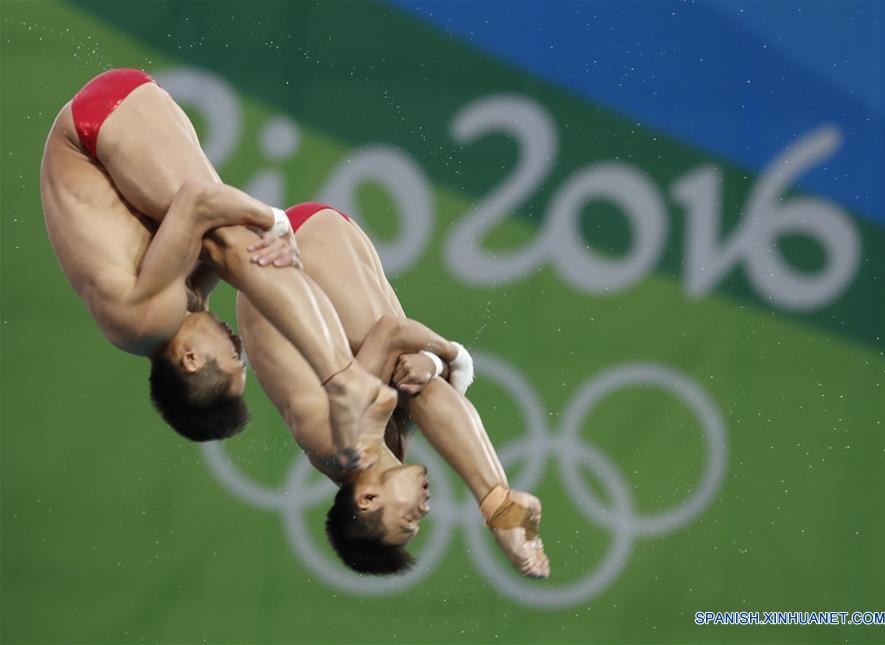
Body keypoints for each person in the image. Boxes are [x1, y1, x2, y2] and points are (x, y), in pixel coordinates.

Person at [40, 68, 385, 459]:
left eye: (233, 357)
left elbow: (197, 201)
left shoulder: (145, 321)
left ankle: (340, 377)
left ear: (189, 359)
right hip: (110, 119)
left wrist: (276, 222)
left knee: (235, 245)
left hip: (95, 128)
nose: (239, 344)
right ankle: (342, 372)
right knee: (237, 254)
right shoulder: (172, 310)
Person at [236, 202, 551, 578]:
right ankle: (502, 507)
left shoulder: (338, 442)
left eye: (407, 521)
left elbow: (391, 333)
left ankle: (499, 509)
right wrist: (437, 363)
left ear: (368, 499)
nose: (425, 511)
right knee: (414, 383)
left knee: (400, 370)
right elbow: (436, 381)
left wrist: (452, 355)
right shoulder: (389, 443)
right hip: (334, 243)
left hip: (283, 258)